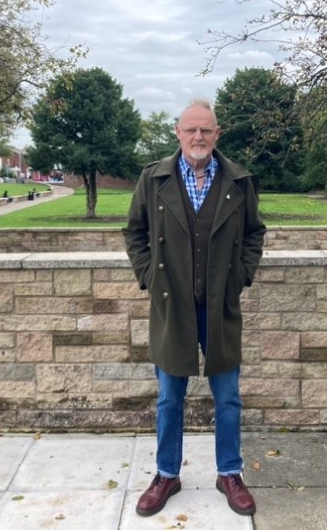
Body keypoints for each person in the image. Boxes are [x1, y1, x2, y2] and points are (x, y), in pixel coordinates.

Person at [123, 99, 266, 517]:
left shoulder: (239, 181)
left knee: (228, 398)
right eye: (191, 130)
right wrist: (150, 276)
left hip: (220, 305)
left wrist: (240, 276)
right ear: (178, 132)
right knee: (169, 398)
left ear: (217, 134)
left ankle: (230, 473)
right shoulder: (154, 178)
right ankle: (167, 474)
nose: (198, 137)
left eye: (206, 130)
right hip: (173, 305)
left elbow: (255, 233)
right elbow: (135, 233)